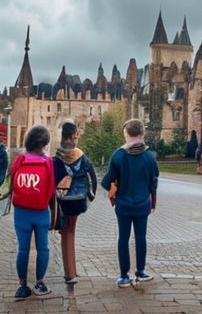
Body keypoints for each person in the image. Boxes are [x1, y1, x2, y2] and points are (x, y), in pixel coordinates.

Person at [100, 119, 159, 287]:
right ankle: (140, 271)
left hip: (123, 205)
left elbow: (106, 181)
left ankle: (124, 276)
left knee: (123, 238)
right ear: (142, 134)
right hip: (142, 204)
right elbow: (154, 182)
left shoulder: (118, 155)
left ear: (126, 134)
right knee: (141, 237)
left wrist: (115, 187)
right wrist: (153, 202)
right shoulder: (149, 156)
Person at [10, 125, 56, 298]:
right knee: (43, 248)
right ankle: (40, 283)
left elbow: (12, 177)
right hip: (41, 211)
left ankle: (22, 285)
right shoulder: (48, 161)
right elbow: (51, 186)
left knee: (23, 249)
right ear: (44, 144)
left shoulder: (20, 159)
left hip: (21, 211)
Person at [53, 121, 97, 285]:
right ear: (70, 137)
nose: (75, 140)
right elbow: (93, 177)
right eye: (75, 137)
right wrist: (91, 196)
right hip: (77, 200)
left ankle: (69, 272)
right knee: (70, 232)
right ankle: (70, 273)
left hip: (61, 201)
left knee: (66, 232)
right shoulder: (82, 157)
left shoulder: (56, 159)